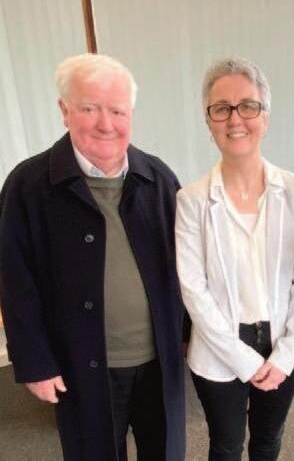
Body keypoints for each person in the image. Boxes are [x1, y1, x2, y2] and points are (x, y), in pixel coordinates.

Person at [0, 54, 186, 461]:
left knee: (166, 452)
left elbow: (185, 267)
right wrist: (35, 362)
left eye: (117, 111)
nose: (106, 123)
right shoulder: (27, 186)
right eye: (89, 108)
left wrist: (192, 338)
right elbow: (15, 282)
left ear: (130, 115)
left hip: (159, 362)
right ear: (64, 110)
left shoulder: (158, 179)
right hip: (80, 367)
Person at [175, 57, 294, 461]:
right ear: (209, 122)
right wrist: (242, 359)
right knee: (225, 445)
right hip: (217, 347)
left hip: (283, 342)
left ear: (265, 117)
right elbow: (193, 289)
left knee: (268, 441)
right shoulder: (191, 200)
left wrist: (286, 353)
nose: (235, 118)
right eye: (221, 108)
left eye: (248, 106)